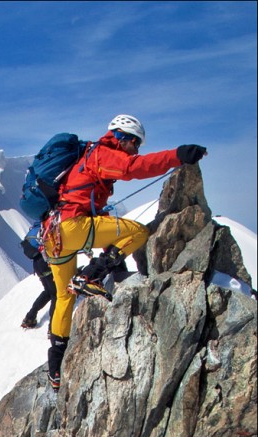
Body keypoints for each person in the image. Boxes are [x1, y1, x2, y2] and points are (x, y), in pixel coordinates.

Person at [42, 115, 207, 392]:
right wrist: (177, 156)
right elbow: (134, 168)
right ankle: (91, 275)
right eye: (134, 142)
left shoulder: (88, 156)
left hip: (53, 236)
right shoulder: (103, 153)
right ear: (122, 137)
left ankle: (55, 367)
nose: (136, 149)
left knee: (63, 296)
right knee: (139, 232)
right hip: (72, 227)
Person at [20, 223, 57, 330]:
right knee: (55, 294)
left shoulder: (34, 230)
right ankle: (53, 326)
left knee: (48, 292)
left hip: (37, 265)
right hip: (45, 262)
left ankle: (30, 317)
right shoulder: (45, 229)